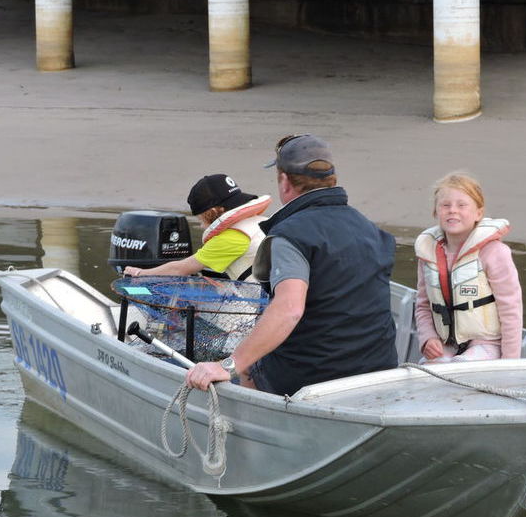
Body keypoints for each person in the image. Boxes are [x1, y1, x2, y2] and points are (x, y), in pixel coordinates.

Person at [185, 134, 398, 395]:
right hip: (380, 371)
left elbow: (289, 309)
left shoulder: (290, 235)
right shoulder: (370, 229)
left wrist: (230, 364)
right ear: (331, 178)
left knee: (251, 364)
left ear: (285, 181)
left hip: (312, 376)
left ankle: (253, 428)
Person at [414, 171, 522, 362]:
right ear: (436, 212)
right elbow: (423, 306)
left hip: (488, 344)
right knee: (424, 370)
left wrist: (510, 365)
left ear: (478, 213)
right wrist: (428, 338)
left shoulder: (495, 253)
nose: (452, 210)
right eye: (445, 205)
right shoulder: (427, 254)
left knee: (460, 368)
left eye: (462, 205)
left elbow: (511, 312)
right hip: (447, 344)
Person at [123, 174, 271, 282]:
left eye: (201, 219)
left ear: (213, 212)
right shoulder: (261, 223)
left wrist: (140, 273)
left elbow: (180, 269)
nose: (201, 226)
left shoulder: (231, 237)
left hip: (267, 305)